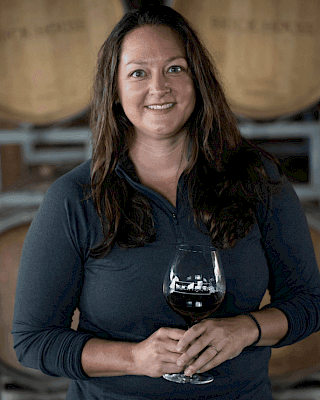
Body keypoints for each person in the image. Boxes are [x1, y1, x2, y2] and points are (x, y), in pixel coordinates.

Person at [12, 5, 320, 400]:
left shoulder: (257, 178)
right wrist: (135, 359)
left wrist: (248, 328)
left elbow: (308, 302)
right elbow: (33, 341)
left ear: (199, 80)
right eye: (138, 73)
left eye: (175, 68)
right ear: (116, 91)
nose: (159, 88)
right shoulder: (76, 198)